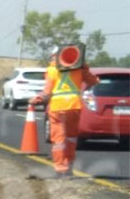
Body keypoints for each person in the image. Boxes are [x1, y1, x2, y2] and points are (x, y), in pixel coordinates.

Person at [30, 45, 98, 177]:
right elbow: (93, 81)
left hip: (58, 108)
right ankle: (69, 168)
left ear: (55, 56)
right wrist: (85, 67)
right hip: (74, 106)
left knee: (59, 141)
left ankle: (61, 170)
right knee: (71, 138)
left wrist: (36, 99)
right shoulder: (79, 69)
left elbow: (47, 92)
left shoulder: (51, 70)